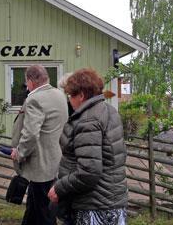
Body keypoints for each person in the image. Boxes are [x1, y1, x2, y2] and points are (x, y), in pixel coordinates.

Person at [48, 68, 127, 225]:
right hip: (111, 201)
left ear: (82, 95)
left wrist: (59, 187)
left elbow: (89, 172)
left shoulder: (88, 121)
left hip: (94, 206)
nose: (69, 100)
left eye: (71, 95)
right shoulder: (109, 111)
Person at [11, 65, 68, 225]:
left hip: (40, 168)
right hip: (55, 162)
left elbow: (30, 134)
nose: (26, 86)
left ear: (30, 80)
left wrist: (19, 153)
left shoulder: (35, 99)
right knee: (35, 211)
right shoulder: (59, 95)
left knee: (44, 214)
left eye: (26, 82)